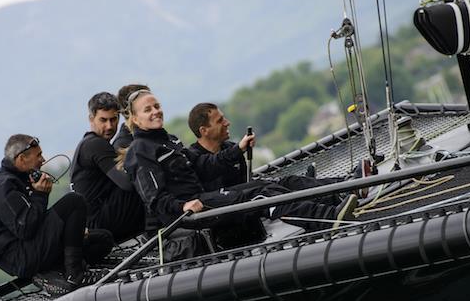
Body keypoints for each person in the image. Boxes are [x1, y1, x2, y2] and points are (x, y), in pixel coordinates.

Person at [123, 90, 358, 232]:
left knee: (264, 186)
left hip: (203, 199)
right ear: (135, 118)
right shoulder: (140, 151)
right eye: (147, 109)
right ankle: (327, 219)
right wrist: (182, 206)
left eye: (157, 106)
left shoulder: (169, 141)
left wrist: (237, 150)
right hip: (188, 215)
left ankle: (332, 206)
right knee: (258, 197)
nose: (155, 111)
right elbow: (154, 199)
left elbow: (203, 167)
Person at [0, 133, 101, 288]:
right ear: (21, 159)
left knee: (102, 240)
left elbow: (35, 222)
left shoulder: (20, 176)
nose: (43, 159)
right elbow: (26, 229)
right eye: (38, 155)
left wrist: (70, 230)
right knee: (74, 202)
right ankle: (75, 275)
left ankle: (50, 272)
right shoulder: (3, 186)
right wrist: (40, 195)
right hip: (19, 257)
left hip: (27, 245)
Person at [185, 102, 366, 206]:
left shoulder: (229, 147)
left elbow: (243, 182)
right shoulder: (196, 158)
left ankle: (346, 184)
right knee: (277, 189)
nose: (227, 123)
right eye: (220, 121)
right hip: (233, 209)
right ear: (204, 130)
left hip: (247, 196)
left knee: (289, 182)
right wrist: (238, 150)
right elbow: (212, 164)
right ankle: (340, 192)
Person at [70, 92, 145, 242]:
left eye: (113, 120)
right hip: (98, 222)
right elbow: (127, 184)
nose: (109, 126)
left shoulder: (89, 144)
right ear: (91, 119)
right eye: (103, 120)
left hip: (96, 220)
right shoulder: (95, 144)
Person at [111, 83, 150, 152]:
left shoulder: (151, 135)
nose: (155, 111)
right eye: (147, 108)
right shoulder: (123, 145)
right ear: (131, 112)